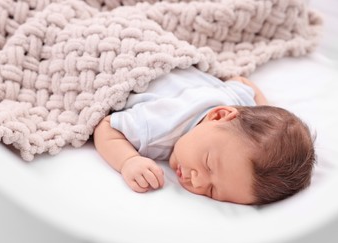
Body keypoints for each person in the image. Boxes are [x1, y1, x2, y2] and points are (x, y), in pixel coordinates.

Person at [93, 67, 315, 205]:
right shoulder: (157, 128)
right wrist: (128, 160)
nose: (197, 181)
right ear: (219, 115)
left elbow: (243, 82)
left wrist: (261, 109)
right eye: (208, 165)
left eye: (212, 191)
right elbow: (106, 127)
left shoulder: (236, 108)